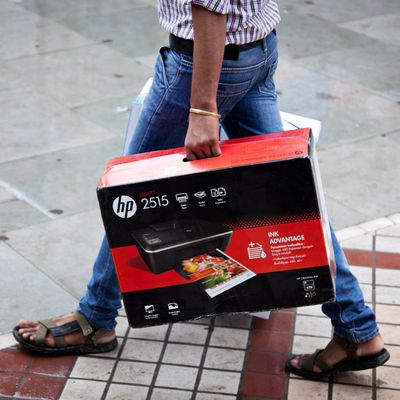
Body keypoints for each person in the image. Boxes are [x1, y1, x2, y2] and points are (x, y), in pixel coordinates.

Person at [14, 0, 389, 380]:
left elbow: (210, 6)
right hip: (256, 51)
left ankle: (95, 318)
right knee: (293, 197)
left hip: (206, 65)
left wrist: (203, 109)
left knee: (128, 192)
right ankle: (356, 328)